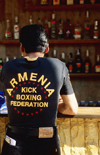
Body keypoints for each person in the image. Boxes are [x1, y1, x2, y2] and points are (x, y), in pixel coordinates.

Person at [1, 24, 78, 155]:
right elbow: (72, 109)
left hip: (14, 142)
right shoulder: (58, 66)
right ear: (47, 48)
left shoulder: (8, 68)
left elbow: (9, 102)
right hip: (46, 143)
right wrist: (56, 104)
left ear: (21, 47)